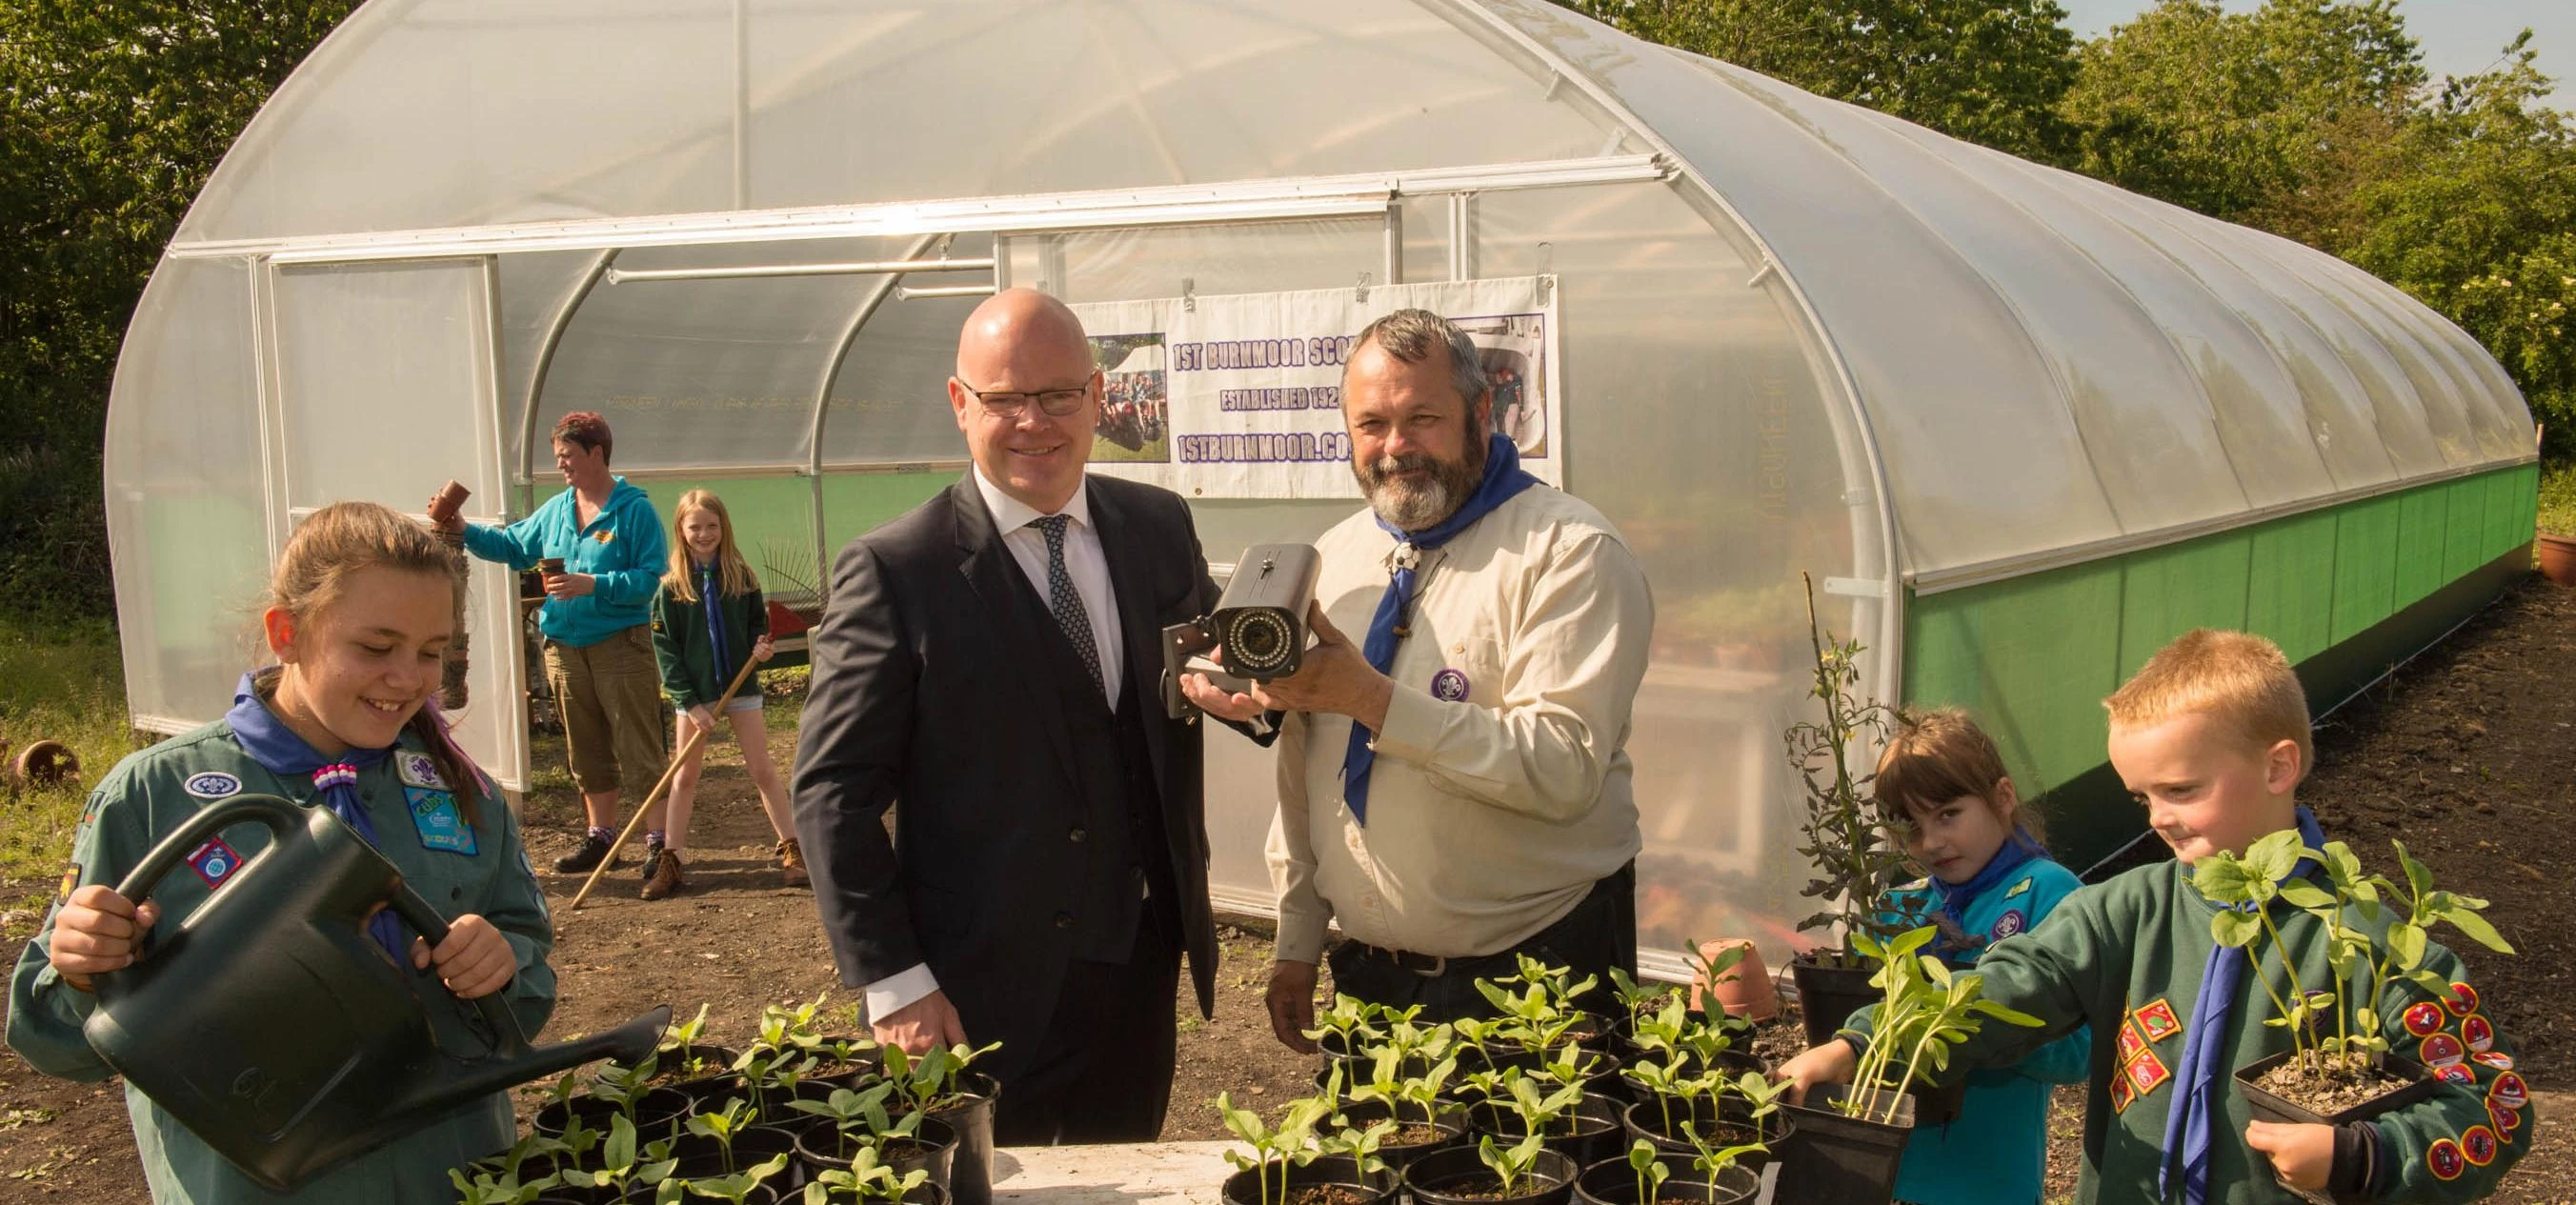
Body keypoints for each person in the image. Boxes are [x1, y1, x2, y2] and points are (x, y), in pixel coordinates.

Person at [1779, 631, 2532, 1204]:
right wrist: (1860, 1040)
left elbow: (2493, 1106)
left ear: (2278, 766)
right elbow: (2013, 980)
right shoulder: (2127, 909)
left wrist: (2358, 1155)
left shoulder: (2367, 940)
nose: (2159, 818)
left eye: (2179, 789)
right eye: (2143, 797)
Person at [7, 501, 556, 1202]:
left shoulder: (460, 787)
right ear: (286, 632)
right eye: (376, 646)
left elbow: (528, 979)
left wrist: (502, 962)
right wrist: (81, 968)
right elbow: (52, 1041)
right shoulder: (154, 795)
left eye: (431, 650)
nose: (409, 677)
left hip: (449, 1178)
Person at [793, 288, 1241, 1145]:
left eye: (1058, 395)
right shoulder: (898, 570)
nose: (1034, 422)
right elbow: (832, 793)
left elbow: (1211, 660)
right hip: (976, 994)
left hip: (1141, 965)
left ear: (1099, 398)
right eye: (1004, 399)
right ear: (961, 404)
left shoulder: (1157, 526)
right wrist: (893, 981)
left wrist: (1263, 688)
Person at [1182, 308, 1655, 1042]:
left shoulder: (1571, 553)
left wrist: (1370, 699)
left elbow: (1562, 769)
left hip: (1539, 979)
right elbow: (1308, 765)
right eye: (1371, 424)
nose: (1396, 447)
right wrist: (1299, 936)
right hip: (1374, 984)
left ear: (1482, 413)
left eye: (1422, 418)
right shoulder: (1334, 556)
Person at [1869, 708, 2090, 1205]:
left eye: (1948, 814)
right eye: (1911, 825)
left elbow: (2082, 1050)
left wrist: (1974, 1022)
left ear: (2003, 798)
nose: (1931, 842)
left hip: (1989, 1182)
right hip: (1885, 1171)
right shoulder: (1898, 907)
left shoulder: (2051, 894)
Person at [434, 412, 669, 877]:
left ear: (596, 453)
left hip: (620, 645)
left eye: (568, 456)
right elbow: (513, 547)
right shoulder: (559, 509)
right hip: (563, 646)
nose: (561, 466)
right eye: (558, 457)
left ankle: (660, 842)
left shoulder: (634, 510)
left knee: (637, 744)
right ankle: (601, 837)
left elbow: (649, 578)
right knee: (584, 748)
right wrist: (462, 530)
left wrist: (593, 584)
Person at [645, 489, 798, 899]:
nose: (704, 534)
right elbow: (666, 651)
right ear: (681, 529)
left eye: (712, 526)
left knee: (763, 769)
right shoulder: (671, 588)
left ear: (724, 528)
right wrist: (690, 702)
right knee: (685, 776)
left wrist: (761, 647)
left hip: (741, 687)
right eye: (695, 526)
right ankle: (671, 858)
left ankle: (793, 849)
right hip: (694, 693)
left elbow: (754, 629)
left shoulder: (742, 577)